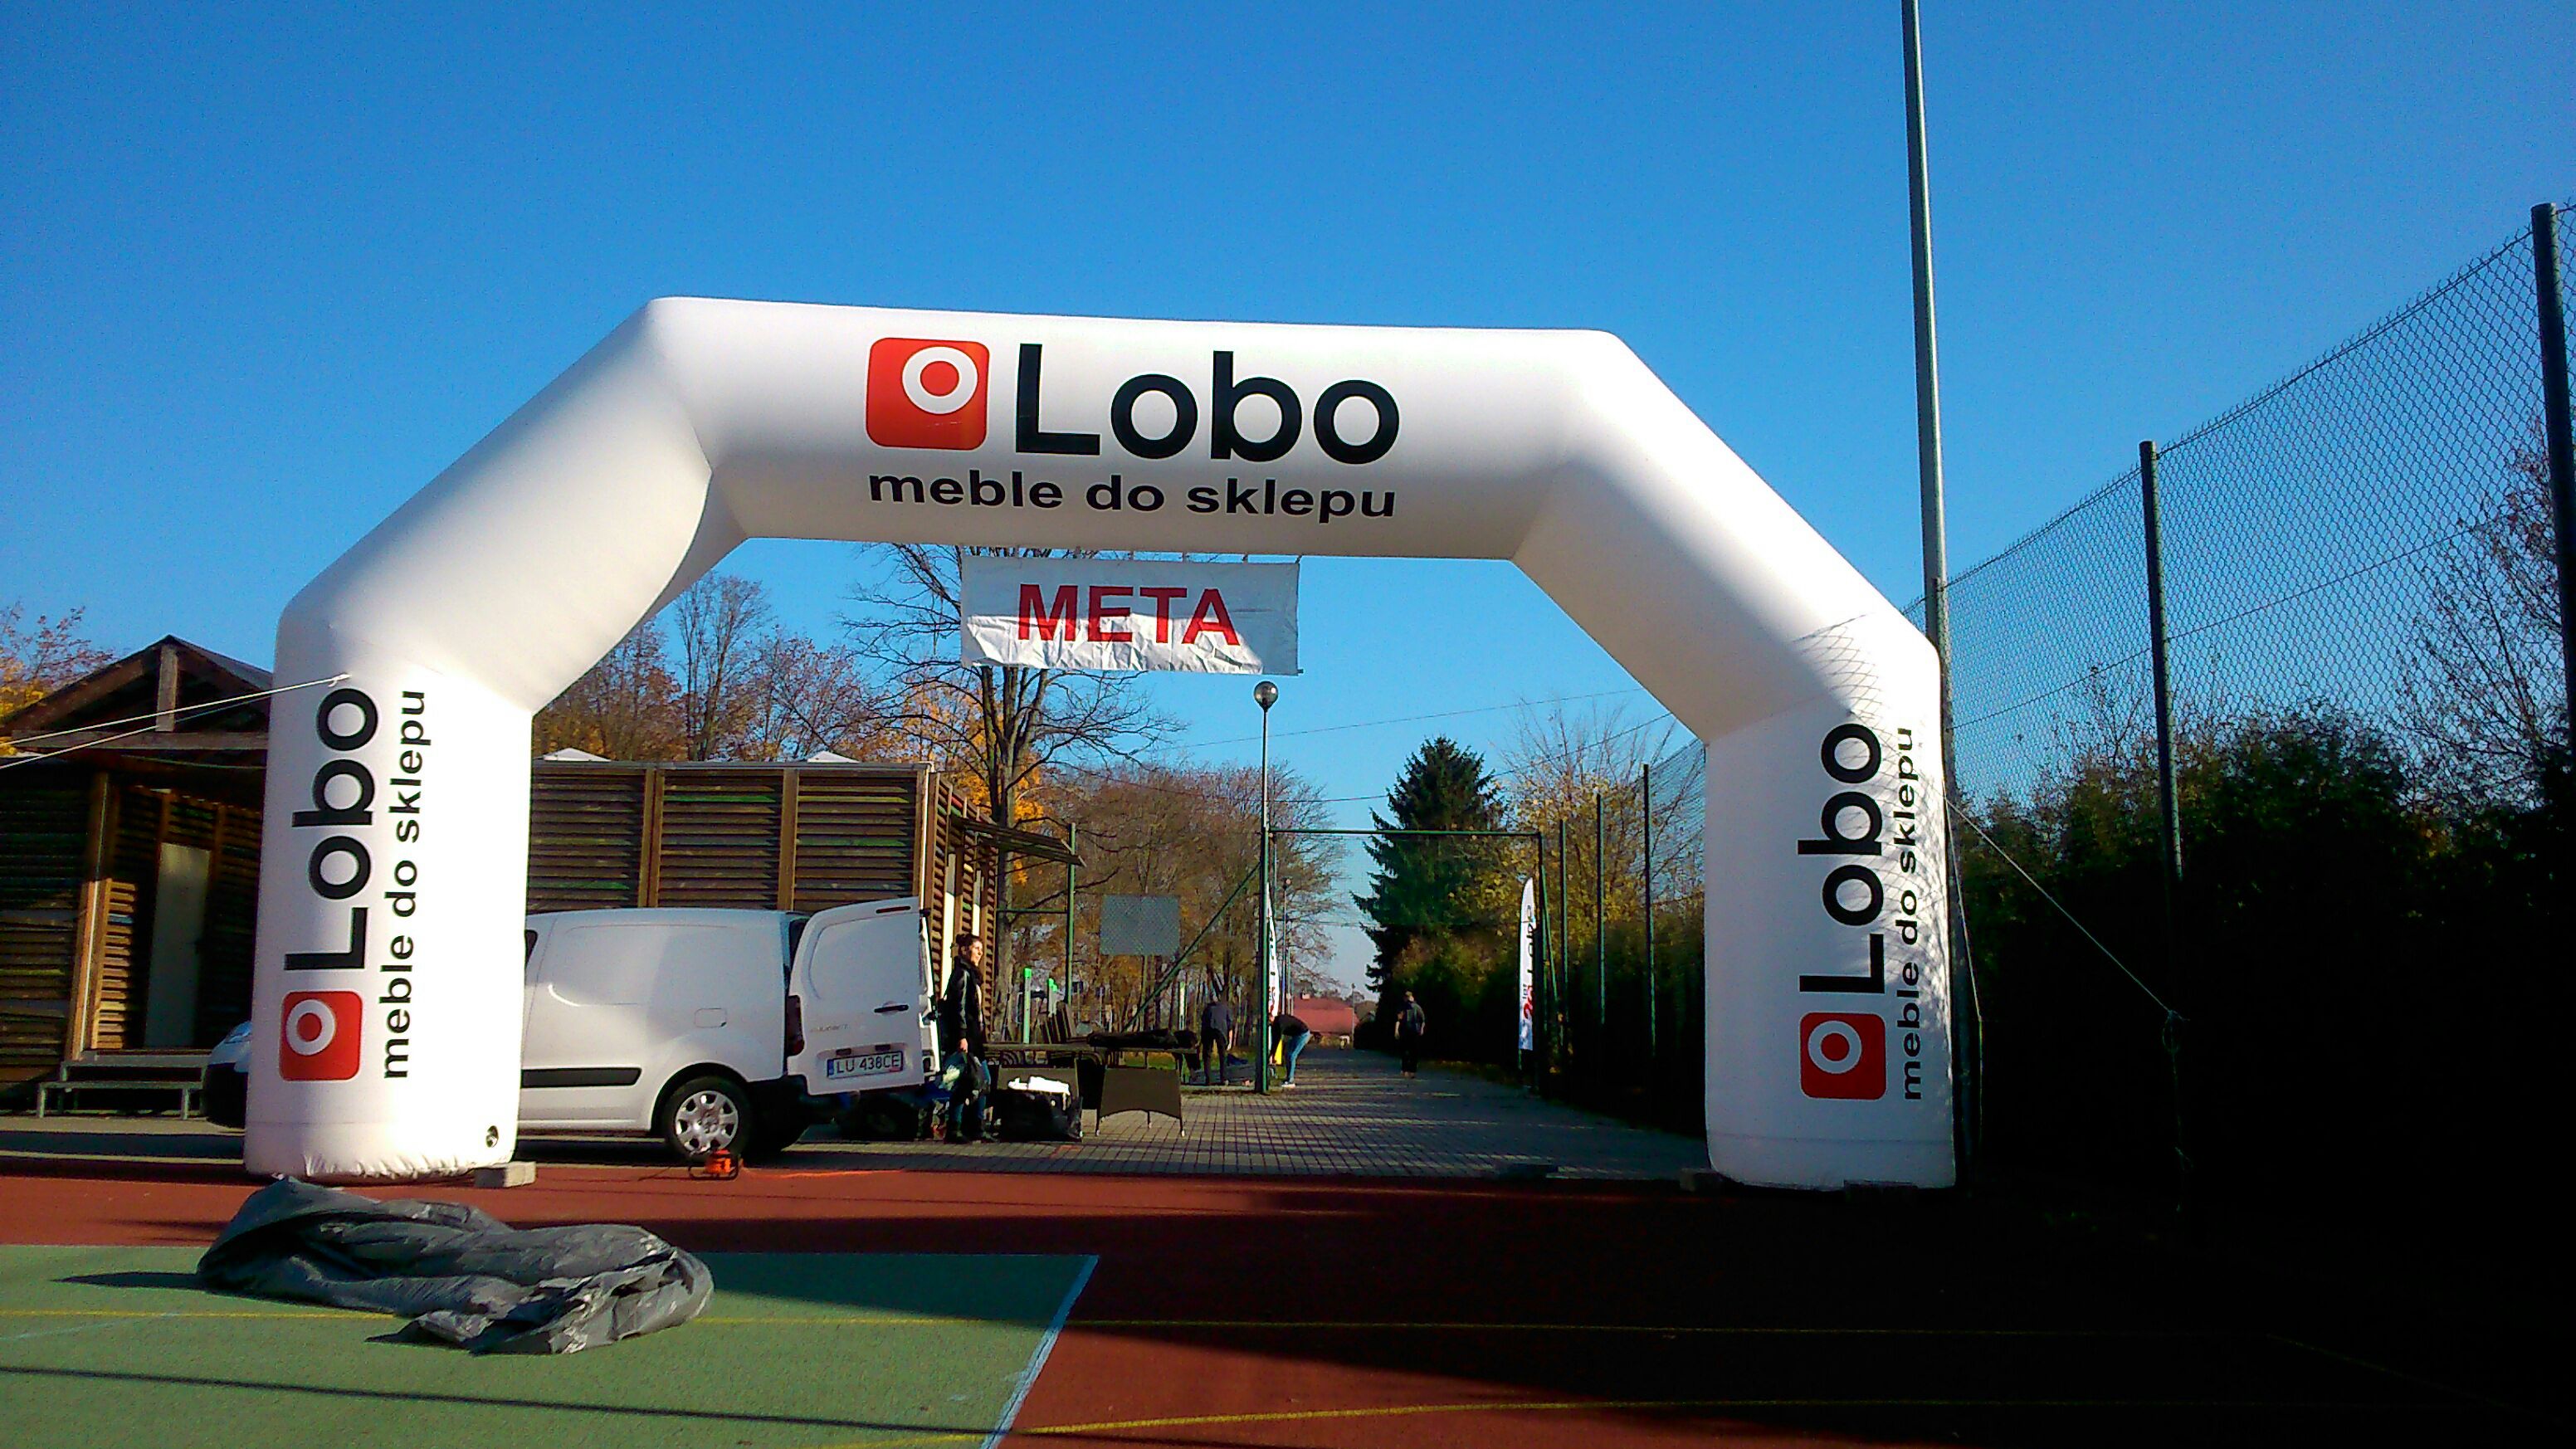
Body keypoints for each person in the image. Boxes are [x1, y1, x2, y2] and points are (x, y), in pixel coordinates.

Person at [936, 933, 990, 1141]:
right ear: (965, 950)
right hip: (966, 1038)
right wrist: (962, 1036)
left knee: (976, 1080)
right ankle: (958, 1127)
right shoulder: (962, 974)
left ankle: (972, 1126)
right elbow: (959, 1007)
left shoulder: (972, 975)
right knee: (973, 1080)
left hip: (974, 1037)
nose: (980, 953)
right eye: (977, 949)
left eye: (982, 950)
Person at [1197, 982, 1233, 1084]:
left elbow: (1203, 1022)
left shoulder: (1208, 1008)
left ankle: (1208, 1079)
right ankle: (1223, 1078)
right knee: (1223, 1054)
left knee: (1207, 1054)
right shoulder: (1225, 1008)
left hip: (1208, 1030)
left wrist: (1201, 1040)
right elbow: (1230, 1026)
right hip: (1221, 1031)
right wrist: (1230, 1042)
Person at [1271, 1007, 1313, 1087]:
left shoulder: (1279, 1023)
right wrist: (1272, 1054)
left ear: (1271, 1017)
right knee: (1287, 1054)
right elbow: (1275, 1040)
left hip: (1302, 1034)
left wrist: (1272, 1055)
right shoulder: (1276, 1024)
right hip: (1296, 1035)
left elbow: (1277, 1039)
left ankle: (1290, 1080)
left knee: (1291, 1055)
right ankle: (1288, 1078)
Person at [1394, 990, 1427, 1078]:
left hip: (1414, 1031)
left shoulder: (1416, 1007)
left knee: (1413, 1052)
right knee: (1406, 1052)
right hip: (1406, 1031)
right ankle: (1406, 1070)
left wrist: (1421, 1029)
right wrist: (1396, 1030)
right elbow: (1398, 1020)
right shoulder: (1403, 1008)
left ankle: (1411, 1070)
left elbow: (1423, 1019)